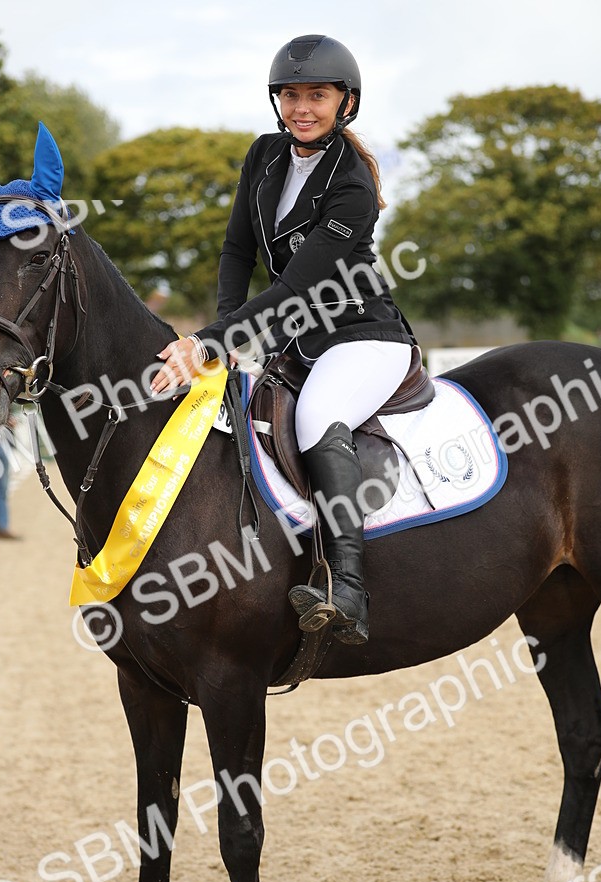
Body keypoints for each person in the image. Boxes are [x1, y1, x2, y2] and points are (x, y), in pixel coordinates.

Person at [151, 34, 416, 646]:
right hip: (292, 338)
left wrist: (208, 342)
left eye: (317, 95)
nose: (302, 108)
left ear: (346, 102)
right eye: (291, 95)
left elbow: (297, 286)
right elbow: (236, 249)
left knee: (317, 415)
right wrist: (226, 330)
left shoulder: (352, 186)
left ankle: (347, 588)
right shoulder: (264, 155)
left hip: (361, 337)